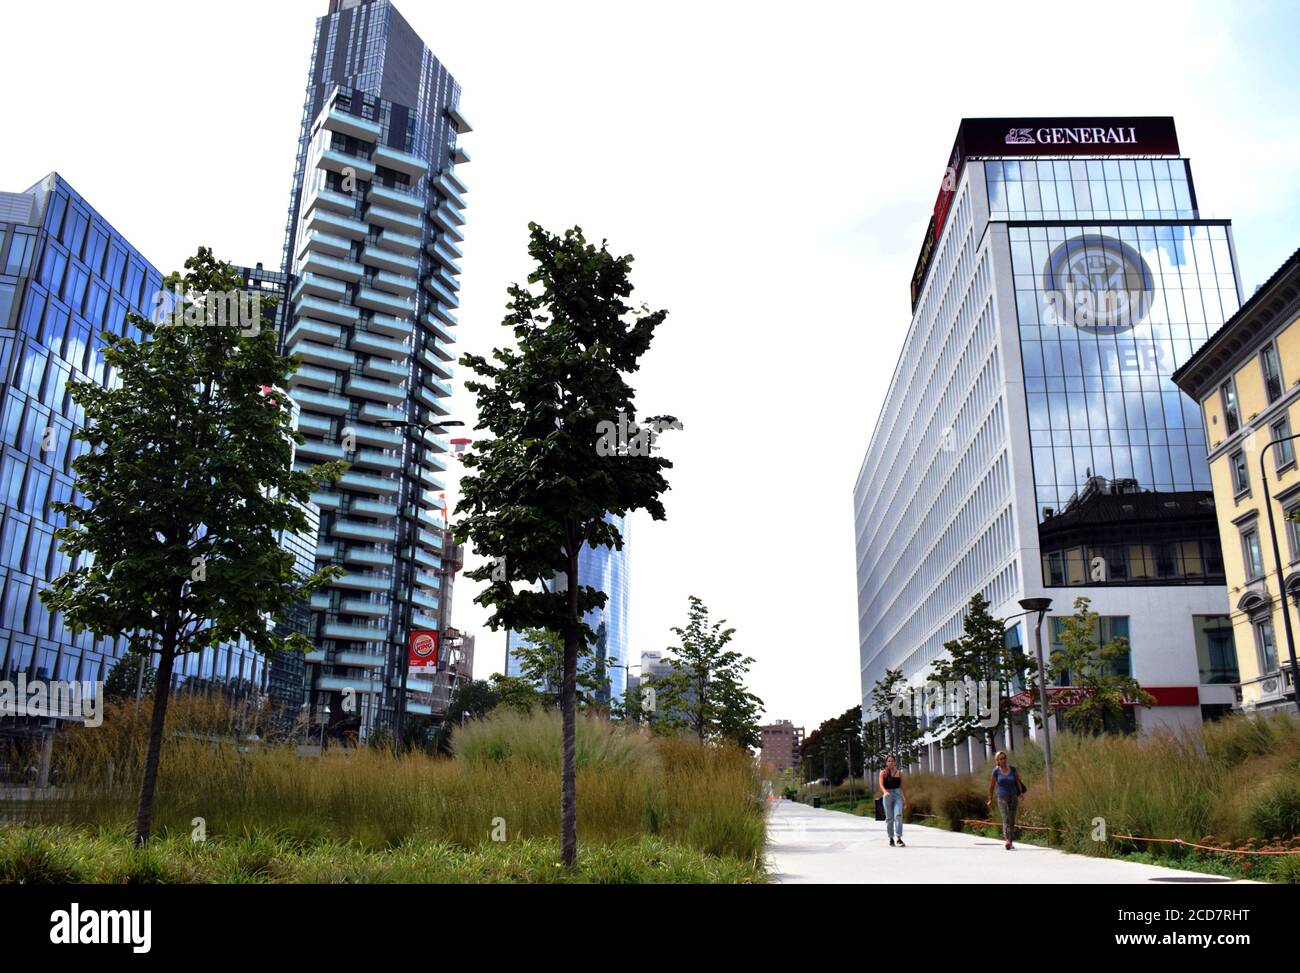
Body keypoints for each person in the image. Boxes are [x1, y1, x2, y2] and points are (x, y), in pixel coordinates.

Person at [987, 750, 1025, 850]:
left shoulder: (1012, 769)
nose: (1003, 760)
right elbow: (991, 786)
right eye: (1001, 759)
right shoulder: (996, 771)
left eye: (1004, 758)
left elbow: (1017, 781)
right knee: (1006, 817)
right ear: (997, 761)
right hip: (1002, 797)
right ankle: (1007, 840)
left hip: (1013, 796)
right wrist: (990, 799)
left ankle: (1011, 841)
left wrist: (1020, 793)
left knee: (1012, 819)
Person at [878, 754, 907, 847]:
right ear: (886, 762)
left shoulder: (899, 773)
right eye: (889, 761)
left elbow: (902, 787)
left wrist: (905, 799)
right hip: (887, 796)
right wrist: (885, 792)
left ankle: (899, 838)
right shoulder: (883, 773)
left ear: (895, 762)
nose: (890, 762)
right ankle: (891, 838)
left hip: (898, 795)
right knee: (889, 818)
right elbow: (881, 785)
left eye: (892, 760)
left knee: (898, 815)